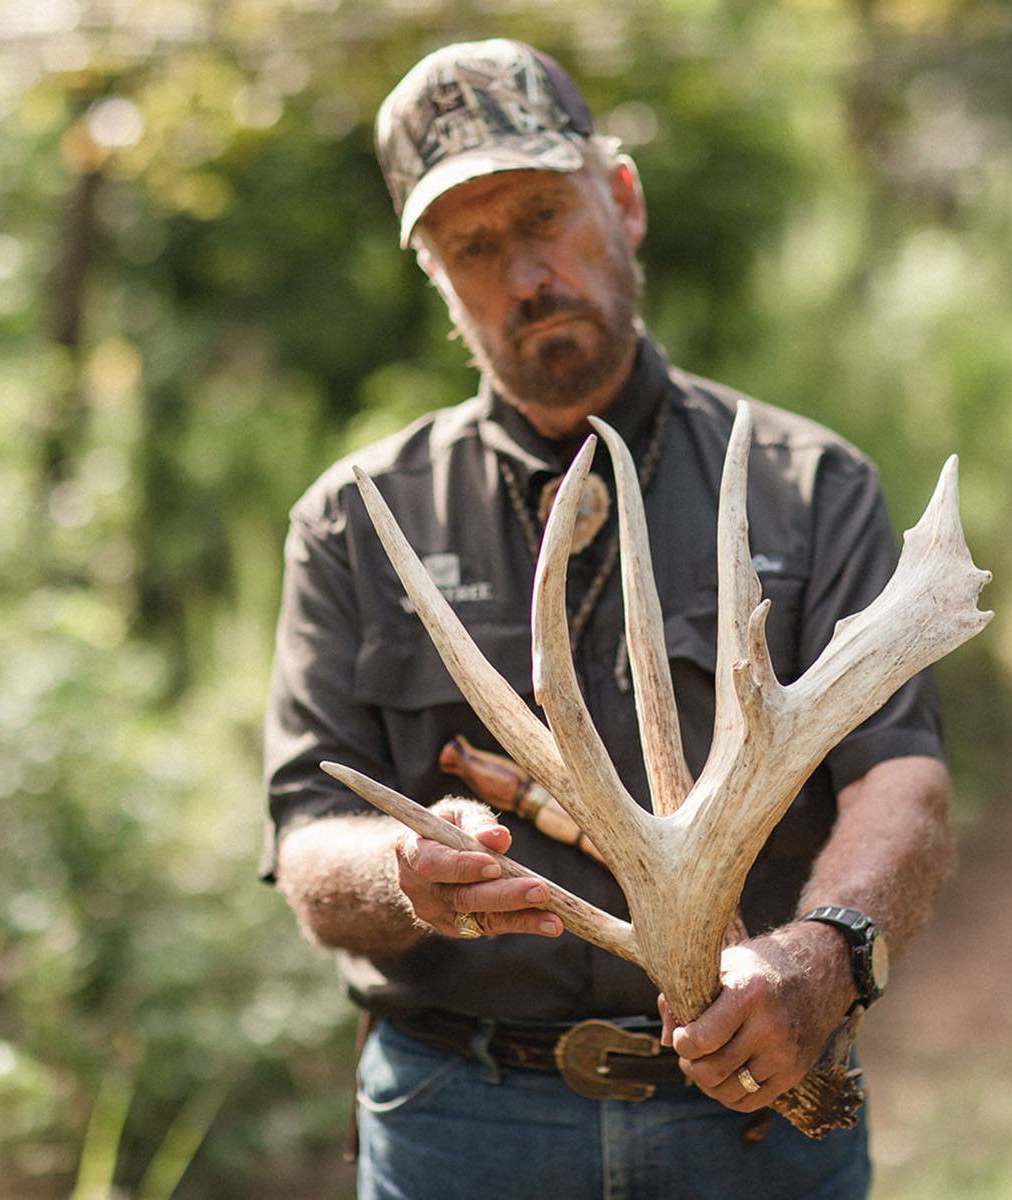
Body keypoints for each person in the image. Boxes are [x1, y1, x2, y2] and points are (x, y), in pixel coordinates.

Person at [260, 38, 955, 1200]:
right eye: (470, 247)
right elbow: (304, 840)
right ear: (436, 277)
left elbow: (903, 782)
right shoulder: (356, 524)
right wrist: (401, 869)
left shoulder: (805, 485)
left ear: (621, 200)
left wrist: (821, 960)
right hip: (458, 1125)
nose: (524, 274)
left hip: (752, 1116)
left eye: (543, 214)